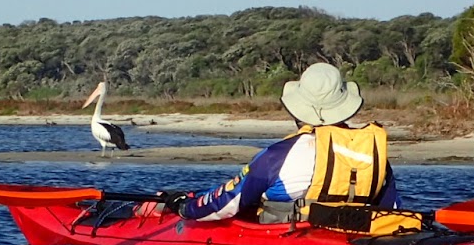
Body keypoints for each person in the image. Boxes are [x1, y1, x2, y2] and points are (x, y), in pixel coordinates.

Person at [136, 63, 407, 228]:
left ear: (298, 109)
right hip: (358, 244)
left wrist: (183, 206)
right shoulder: (373, 155)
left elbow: (225, 205)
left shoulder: (279, 155)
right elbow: (392, 211)